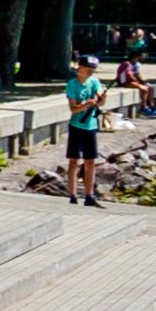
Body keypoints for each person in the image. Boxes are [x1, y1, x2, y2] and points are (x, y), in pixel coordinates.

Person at [63, 50, 107, 204]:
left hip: (91, 126)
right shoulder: (72, 85)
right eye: (87, 68)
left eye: (92, 70)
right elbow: (73, 108)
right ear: (79, 67)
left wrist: (101, 98)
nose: (90, 72)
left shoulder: (94, 82)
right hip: (76, 125)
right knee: (74, 160)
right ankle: (72, 194)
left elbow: (101, 101)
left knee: (90, 161)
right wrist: (86, 104)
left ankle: (89, 195)